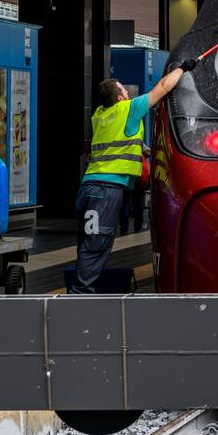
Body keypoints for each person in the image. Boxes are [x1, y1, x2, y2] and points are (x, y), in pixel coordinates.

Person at [70, 59, 195, 293]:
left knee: (88, 243)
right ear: (119, 98)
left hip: (89, 188)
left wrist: (144, 149)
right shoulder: (128, 109)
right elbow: (164, 87)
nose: (127, 92)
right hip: (105, 192)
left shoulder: (99, 115)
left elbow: (118, 143)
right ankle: (80, 299)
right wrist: (184, 68)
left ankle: (81, 292)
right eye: (124, 90)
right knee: (97, 244)